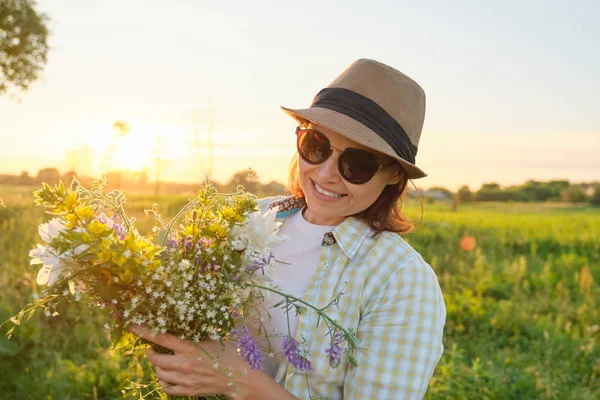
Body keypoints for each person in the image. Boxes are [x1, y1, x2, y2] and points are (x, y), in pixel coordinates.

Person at [130, 58, 446, 400]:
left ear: (395, 175)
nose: (325, 174)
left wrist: (237, 381)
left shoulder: (401, 279)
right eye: (316, 146)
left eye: (357, 164)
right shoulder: (255, 216)